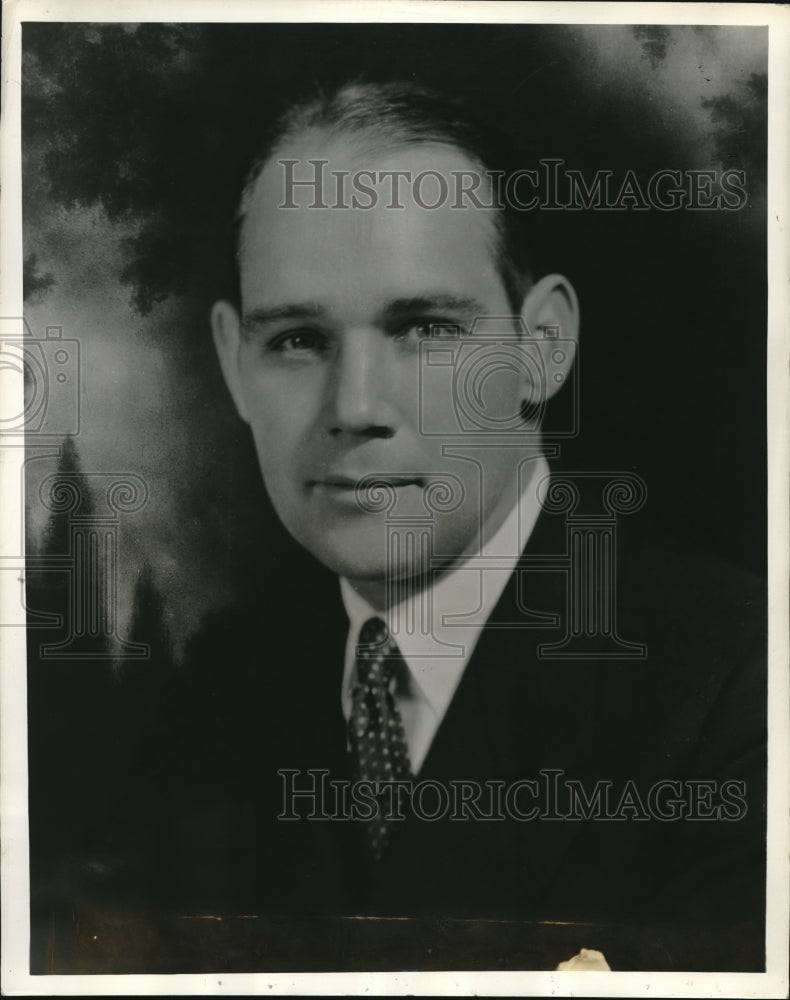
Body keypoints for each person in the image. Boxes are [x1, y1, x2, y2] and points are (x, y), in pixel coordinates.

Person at [98, 82, 768, 972]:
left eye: (423, 328)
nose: (357, 408)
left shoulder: (739, 682)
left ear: (542, 349)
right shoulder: (214, 699)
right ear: (233, 361)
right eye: (297, 339)